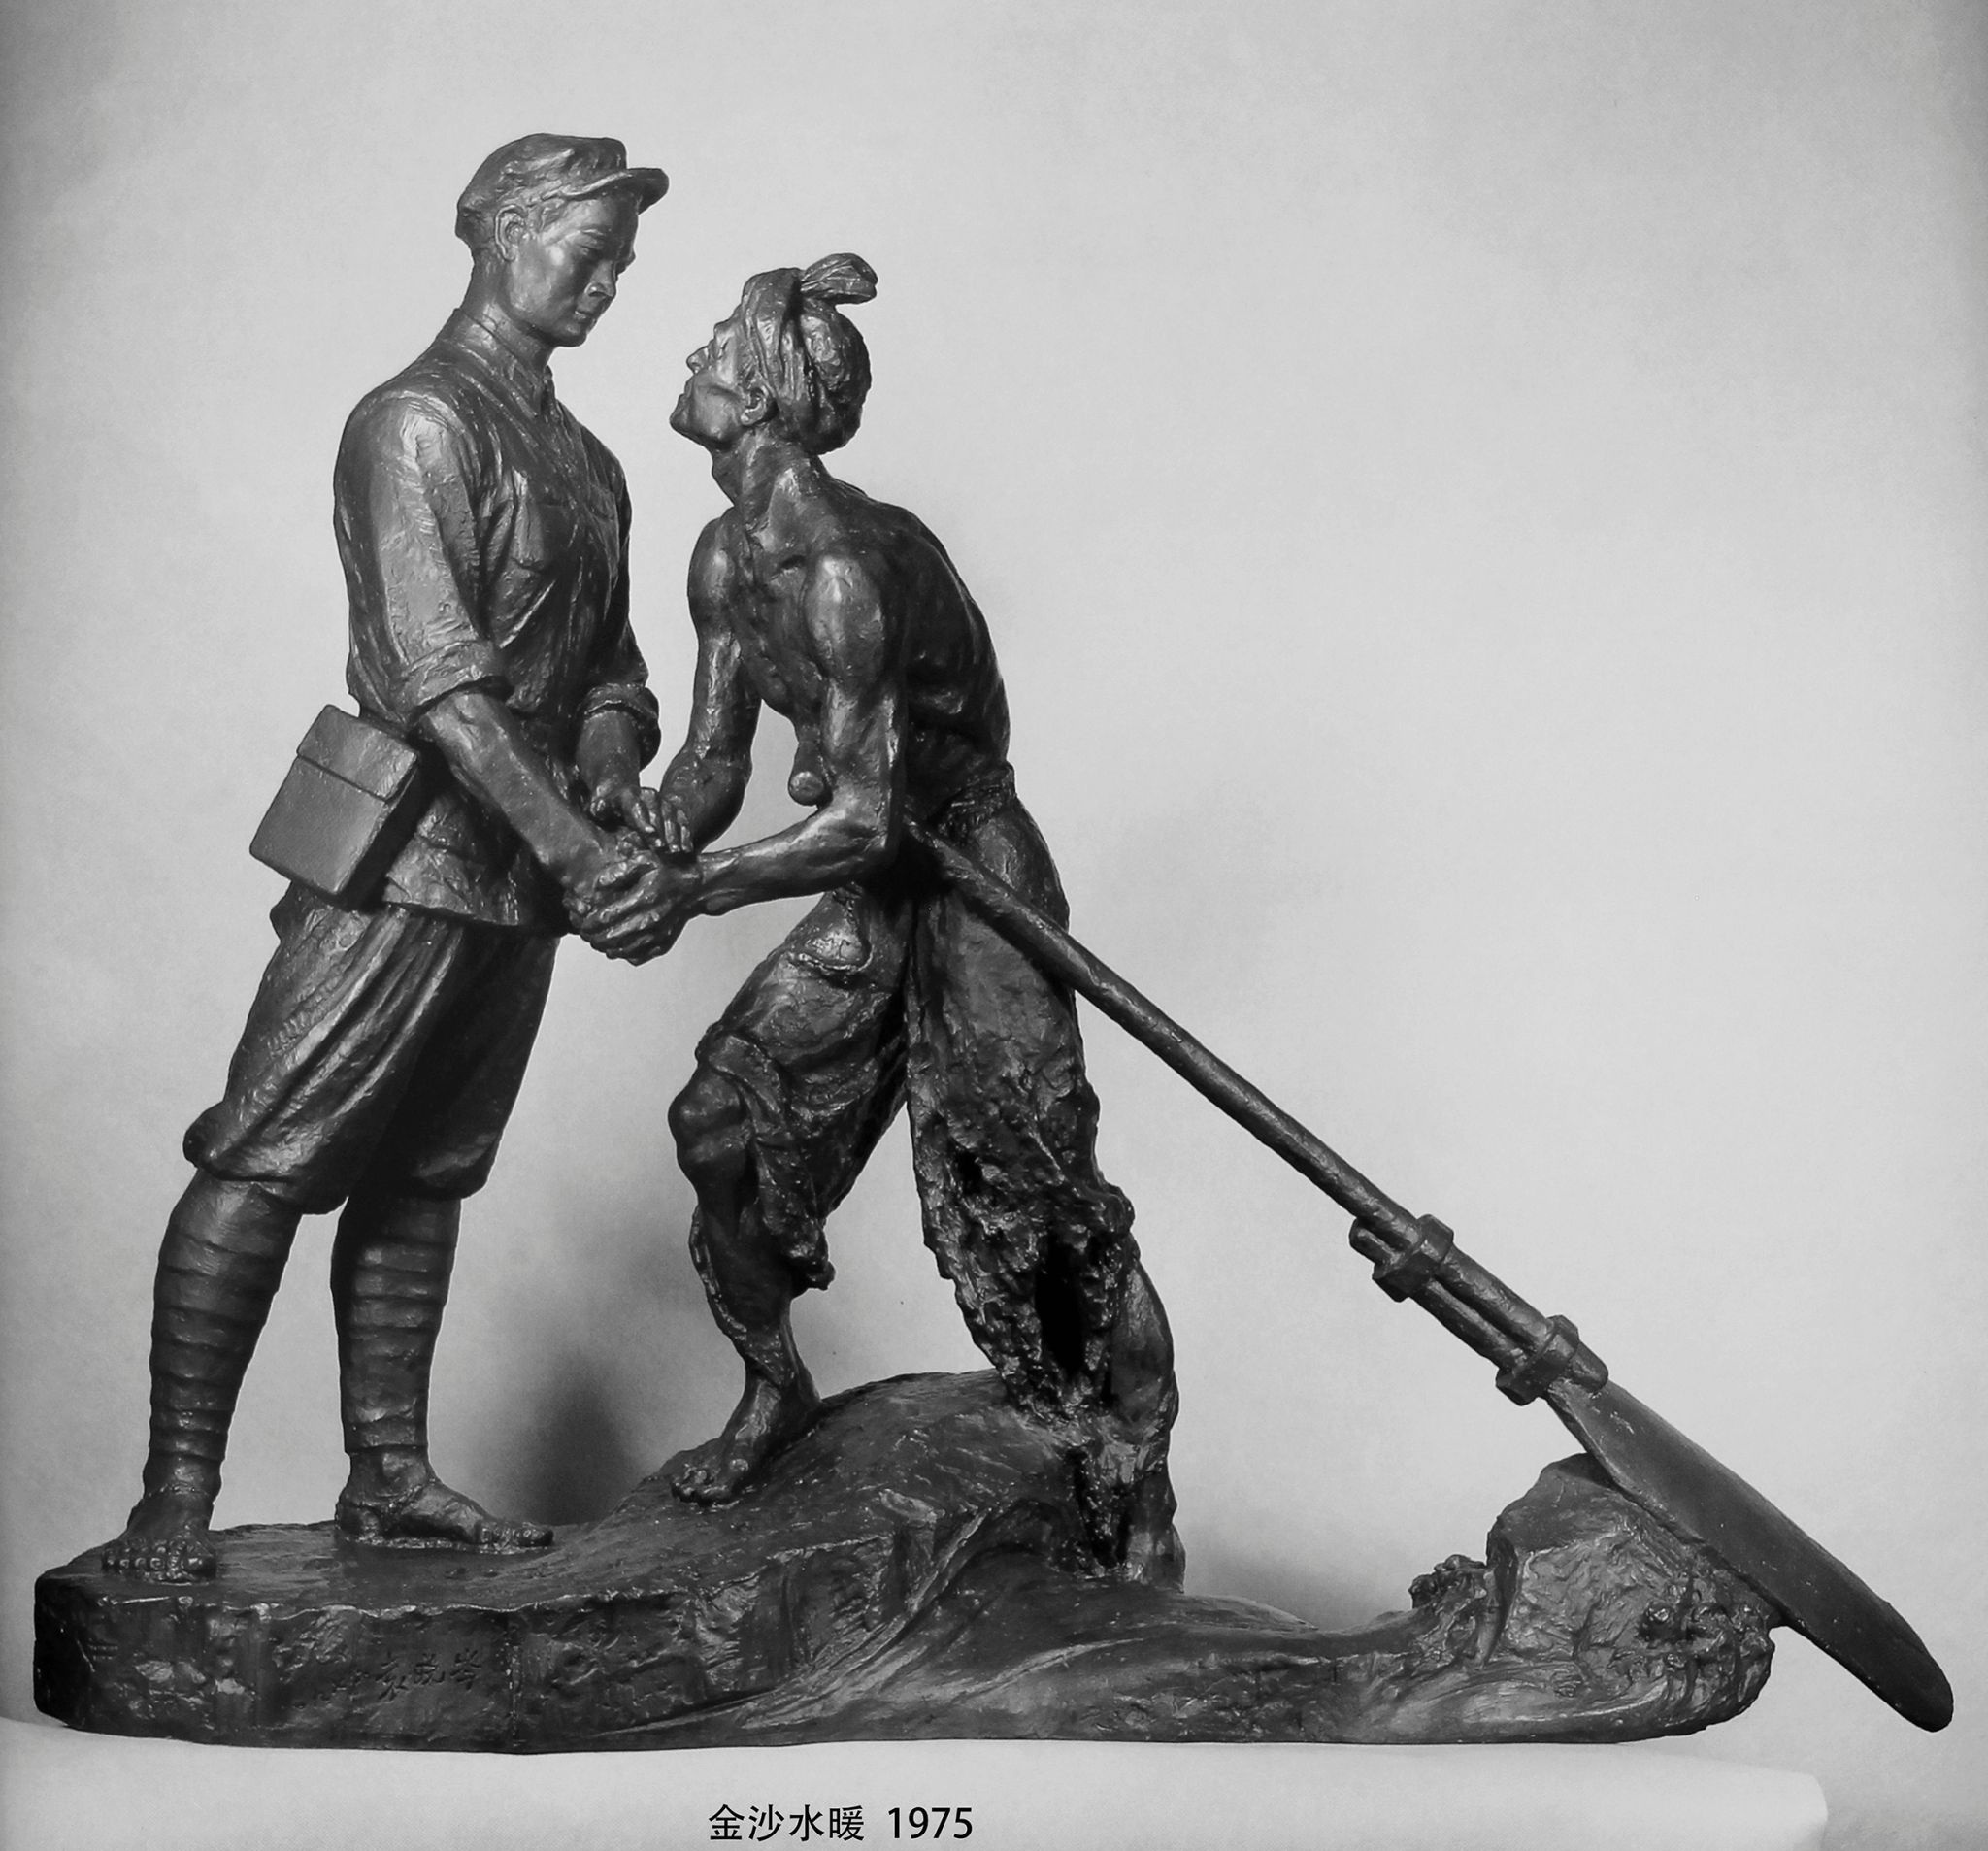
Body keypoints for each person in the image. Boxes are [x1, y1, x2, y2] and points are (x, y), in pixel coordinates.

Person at [103, 135, 670, 1581]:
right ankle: (175, 1494)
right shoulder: (413, 422)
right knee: (264, 1152)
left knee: (427, 1173)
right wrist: (580, 854)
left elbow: (614, 672)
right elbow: (436, 680)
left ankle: (390, 1475)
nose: (608, 281)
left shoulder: (591, 463)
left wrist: (613, 772)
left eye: (622, 262)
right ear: (502, 230)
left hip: (521, 878)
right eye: (587, 249)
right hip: (407, 851)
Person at [578, 256, 1181, 1580]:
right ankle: (773, 1388)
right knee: (717, 1124)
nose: (694, 359)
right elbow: (717, 759)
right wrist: (656, 825)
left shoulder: (846, 571)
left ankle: (1138, 1477)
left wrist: (693, 890)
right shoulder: (726, 558)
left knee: (1044, 1188)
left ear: (765, 395)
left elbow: (862, 820)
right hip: (882, 880)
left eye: (718, 346)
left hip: (972, 872)